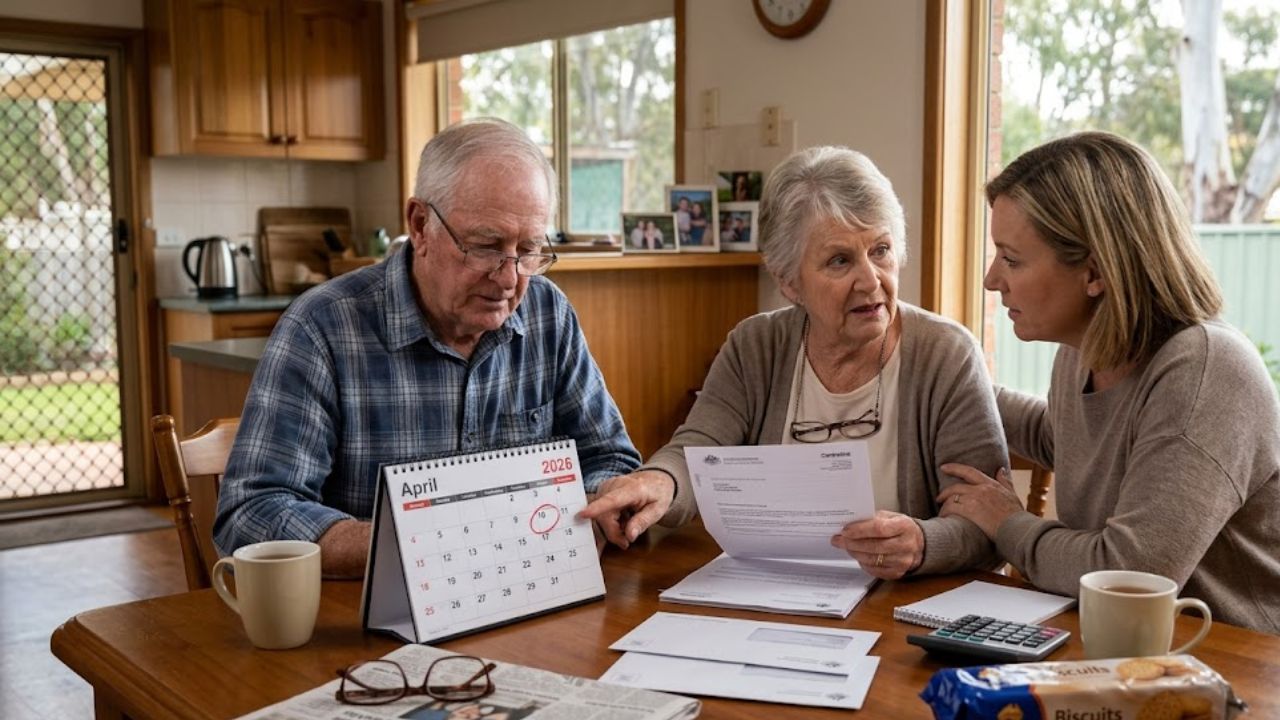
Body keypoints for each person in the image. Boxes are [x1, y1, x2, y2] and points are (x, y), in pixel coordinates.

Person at [214, 118, 642, 577]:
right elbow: (251, 515)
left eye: (529, 250)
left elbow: (609, 458)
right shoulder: (322, 327)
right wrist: (425, 541)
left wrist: (596, 506)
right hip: (368, 609)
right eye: (486, 246)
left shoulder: (547, 313)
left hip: (530, 588)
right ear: (420, 226)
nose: (509, 278)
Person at [581, 146, 1009, 579]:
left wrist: (922, 544)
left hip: (901, 601)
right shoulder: (755, 346)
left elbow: (987, 527)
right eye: (840, 260)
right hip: (773, 590)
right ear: (788, 282)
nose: (870, 280)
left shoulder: (947, 353)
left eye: (880, 250)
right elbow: (698, 451)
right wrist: (659, 480)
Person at [938, 131, 1280, 633]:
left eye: (1011, 259)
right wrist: (942, 376)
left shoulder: (1206, 372)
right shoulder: (1083, 351)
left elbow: (1128, 573)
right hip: (1130, 646)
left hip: (1232, 656)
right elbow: (1063, 437)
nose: (992, 279)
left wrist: (1008, 523)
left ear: (1095, 273)